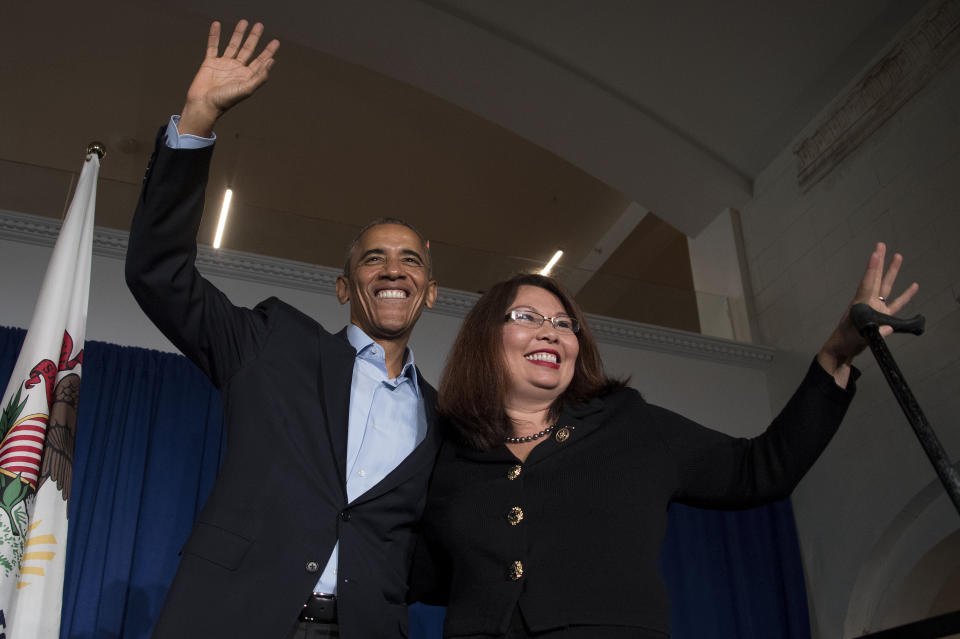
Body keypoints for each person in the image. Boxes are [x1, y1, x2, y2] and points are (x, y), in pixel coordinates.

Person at [413, 245, 918, 638]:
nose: (551, 332)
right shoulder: (448, 452)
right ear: (484, 337)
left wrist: (835, 356)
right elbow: (427, 572)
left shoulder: (629, 426)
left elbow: (761, 468)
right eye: (527, 318)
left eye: (565, 325)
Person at [125, 20, 442, 638]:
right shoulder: (272, 345)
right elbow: (158, 273)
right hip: (234, 620)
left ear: (429, 291)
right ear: (345, 287)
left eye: (412, 260)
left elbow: (432, 557)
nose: (393, 269)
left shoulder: (443, 422)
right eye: (373, 258)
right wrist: (196, 119)